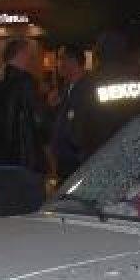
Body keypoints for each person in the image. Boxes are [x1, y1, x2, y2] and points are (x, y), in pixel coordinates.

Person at [0, 38, 47, 216]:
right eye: (29, 55)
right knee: (32, 217)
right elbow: (39, 122)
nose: (31, 60)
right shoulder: (26, 82)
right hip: (24, 162)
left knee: (8, 215)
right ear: (21, 54)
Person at [50, 44, 95, 183]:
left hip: (78, 162)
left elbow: (82, 128)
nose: (57, 64)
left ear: (72, 61)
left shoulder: (88, 88)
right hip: (65, 160)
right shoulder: (66, 88)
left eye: (60, 59)